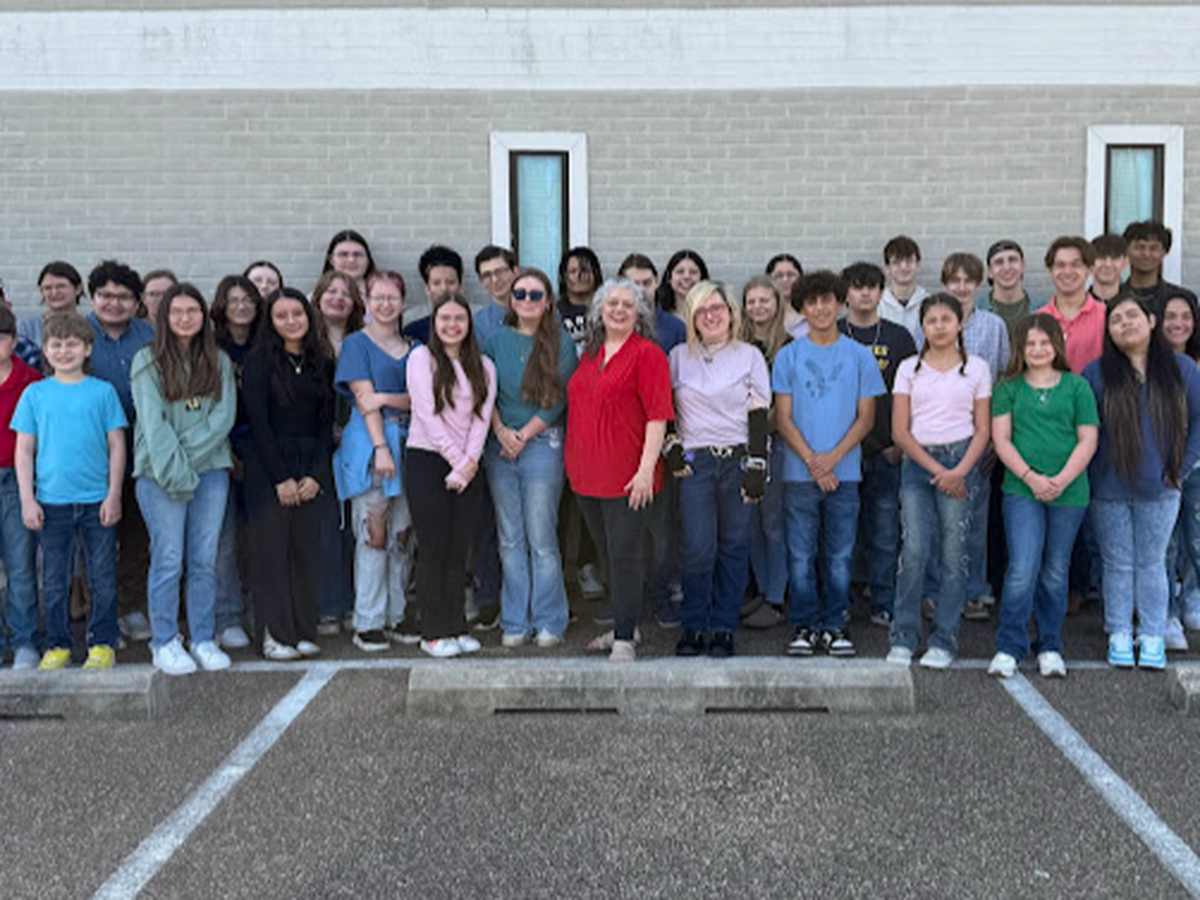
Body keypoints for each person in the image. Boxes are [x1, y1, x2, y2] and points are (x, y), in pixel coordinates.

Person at [1083, 294, 1200, 670]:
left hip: (1161, 488)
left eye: (1132, 315)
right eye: (1116, 320)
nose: (1125, 324)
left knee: (1152, 563)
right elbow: (1084, 431)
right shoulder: (1096, 374)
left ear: (1151, 321)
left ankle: (1152, 633)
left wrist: (1181, 468)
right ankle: (1118, 631)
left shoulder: (1181, 369)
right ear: (1109, 332)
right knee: (1116, 564)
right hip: (1108, 489)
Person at [773, 271, 883, 657]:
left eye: (827, 300)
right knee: (801, 556)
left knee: (839, 556)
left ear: (840, 304)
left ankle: (835, 625)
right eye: (812, 301)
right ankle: (805, 625)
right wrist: (812, 462)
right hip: (798, 474)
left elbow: (866, 418)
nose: (820, 308)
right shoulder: (788, 356)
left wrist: (832, 460)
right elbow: (782, 418)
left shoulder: (860, 356)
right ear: (801, 308)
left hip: (845, 474)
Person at [131, 284, 237, 676]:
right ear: (164, 317)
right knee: (168, 559)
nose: (185, 318)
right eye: (176, 311)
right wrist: (176, 467)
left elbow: (222, 418)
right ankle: (164, 641)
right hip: (159, 474)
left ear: (204, 316)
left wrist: (186, 457)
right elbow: (152, 423)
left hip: (210, 473)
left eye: (192, 310)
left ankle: (203, 638)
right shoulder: (147, 360)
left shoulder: (219, 360)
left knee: (204, 560)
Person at [566, 279, 672, 662]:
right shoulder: (590, 353)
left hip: (628, 477)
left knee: (625, 556)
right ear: (599, 311)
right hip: (585, 474)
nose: (619, 310)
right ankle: (626, 624)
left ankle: (625, 638)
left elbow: (658, 416)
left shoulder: (648, 355)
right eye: (612, 303)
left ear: (640, 312)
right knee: (608, 556)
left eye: (628, 304)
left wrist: (646, 470)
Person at [14, 312, 127, 670]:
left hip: (97, 501)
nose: (64, 351)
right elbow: (24, 450)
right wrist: (27, 499)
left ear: (88, 348)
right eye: (56, 345)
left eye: (72, 344)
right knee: (54, 579)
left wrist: (114, 494)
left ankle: (102, 642)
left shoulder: (103, 392)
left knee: (102, 577)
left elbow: (117, 445)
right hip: (51, 502)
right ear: (45, 351)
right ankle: (58, 644)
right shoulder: (35, 394)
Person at [987, 315, 1098, 679]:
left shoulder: (1077, 386)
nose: (1037, 350)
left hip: (1070, 492)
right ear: (1020, 348)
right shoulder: (1008, 388)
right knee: (1022, 568)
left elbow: (1088, 439)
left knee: (1055, 570)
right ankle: (1010, 645)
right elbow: (1001, 440)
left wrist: (1061, 480)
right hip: (1022, 490)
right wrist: (1031, 478)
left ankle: (1050, 645)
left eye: (1044, 343)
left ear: (1057, 346)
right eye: (1030, 343)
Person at [889, 294, 991, 669]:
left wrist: (959, 470)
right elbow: (900, 431)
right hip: (919, 464)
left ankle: (944, 639)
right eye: (931, 320)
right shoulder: (908, 369)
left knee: (953, 554)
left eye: (946, 319)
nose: (939, 327)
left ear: (959, 323)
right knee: (915, 551)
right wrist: (937, 470)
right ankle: (903, 636)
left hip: (962, 461)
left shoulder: (976, 368)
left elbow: (983, 429)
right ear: (923, 327)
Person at [669, 281, 769, 658]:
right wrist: (671, 447)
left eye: (718, 308)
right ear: (692, 317)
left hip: (738, 458)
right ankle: (695, 625)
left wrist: (757, 465)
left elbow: (758, 410)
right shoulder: (679, 356)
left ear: (731, 313)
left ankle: (724, 627)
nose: (711, 316)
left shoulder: (750, 356)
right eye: (702, 310)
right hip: (696, 462)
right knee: (698, 547)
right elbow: (665, 408)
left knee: (734, 544)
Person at [483, 269, 578, 647]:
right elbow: (482, 392)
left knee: (541, 537)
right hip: (500, 445)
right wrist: (501, 432)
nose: (526, 300)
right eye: (519, 293)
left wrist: (522, 435)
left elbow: (558, 399)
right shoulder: (494, 341)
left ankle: (549, 619)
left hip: (542, 444)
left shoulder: (561, 343)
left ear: (548, 302)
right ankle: (515, 621)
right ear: (511, 300)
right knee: (510, 538)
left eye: (535, 294)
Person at [243, 288, 337, 661]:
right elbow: (259, 424)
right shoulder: (258, 363)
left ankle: (301, 631)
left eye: (297, 314)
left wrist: (316, 475)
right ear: (270, 321)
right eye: (281, 316)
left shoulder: (321, 363)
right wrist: (280, 478)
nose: (291, 321)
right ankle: (274, 635)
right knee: (272, 553)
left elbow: (326, 426)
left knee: (304, 551)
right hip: (269, 466)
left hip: (309, 462)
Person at [405, 292, 496, 658]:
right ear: (434, 323)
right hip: (428, 460)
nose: (452, 325)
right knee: (434, 547)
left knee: (460, 549)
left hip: (468, 466)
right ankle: (433, 632)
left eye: (459, 318)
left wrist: (469, 462)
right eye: (445, 318)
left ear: (469, 324)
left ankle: (457, 626)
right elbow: (426, 414)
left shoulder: (484, 366)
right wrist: (459, 461)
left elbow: (482, 418)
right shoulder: (421, 358)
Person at [333, 270, 417, 652]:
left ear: (403, 302)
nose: (385, 304)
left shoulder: (416, 348)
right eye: (377, 297)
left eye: (392, 297)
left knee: (402, 534)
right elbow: (364, 401)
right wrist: (382, 447)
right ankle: (368, 621)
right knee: (374, 534)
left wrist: (385, 398)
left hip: (411, 443)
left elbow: (421, 398)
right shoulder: (356, 344)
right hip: (371, 447)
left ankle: (396, 615)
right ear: (366, 302)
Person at [838, 261, 917, 629]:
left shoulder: (899, 338)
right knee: (842, 534)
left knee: (885, 534)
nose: (865, 293)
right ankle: (842, 601)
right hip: (842, 452)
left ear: (881, 292)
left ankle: (883, 602)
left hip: (886, 451)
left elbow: (911, 393)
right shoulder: (833, 333)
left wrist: (900, 442)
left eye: (871, 286)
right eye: (857, 286)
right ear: (846, 293)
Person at [937, 252, 1011, 619]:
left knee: (975, 519)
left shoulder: (994, 326)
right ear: (945, 284)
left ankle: (974, 590)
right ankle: (939, 590)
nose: (961, 287)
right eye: (955, 280)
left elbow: (1003, 380)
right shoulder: (932, 322)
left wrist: (997, 438)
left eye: (968, 280)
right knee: (939, 519)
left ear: (979, 284)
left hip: (979, 434)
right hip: (938, 434)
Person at [86, 260, 155, 642]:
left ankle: (131, 607)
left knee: (135, 536)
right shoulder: (78, 334)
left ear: (137, 301)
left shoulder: (150, 336)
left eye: (123, 296)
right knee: (96, 540)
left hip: (142, 452)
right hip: (91, 455)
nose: (114, 303)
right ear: (92, 297)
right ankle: (102, 614)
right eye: (106, 295)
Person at [619, 253, 686, 628]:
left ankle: (661, 595)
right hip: (621, 438)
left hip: (663, 436)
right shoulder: (612, 324)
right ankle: (626, 599)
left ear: (657, 283)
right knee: (622, 528)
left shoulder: (674, 329)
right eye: (632, 282)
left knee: (661, 528)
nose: (640, 289)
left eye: (645, 282)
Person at [210, 275, 265, 649]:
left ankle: (262, 612)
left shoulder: (267, 345)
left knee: (261, 536)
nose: (242, 307)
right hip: (220, 450)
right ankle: (227, 617)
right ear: (222, 306)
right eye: (234, 301)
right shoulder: (211, 348)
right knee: (224, 539)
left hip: (261, 449)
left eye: (248, 300)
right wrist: (225, 451)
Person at [739, 275, 793, 628]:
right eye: (752, 301)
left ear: (777, 304)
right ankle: (761, 588)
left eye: (764, 300)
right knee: (750, 522)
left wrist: (759, 427)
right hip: (739, 444)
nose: (758, 307)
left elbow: (786, 403)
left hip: (774, 443)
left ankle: (777, 597)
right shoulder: (736, 344)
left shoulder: (787, 347)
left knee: (773, 522)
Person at [0, 306, 43, 669]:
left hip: (17, 479)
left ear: (14, 341)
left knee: (21, 567)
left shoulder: (31, 382)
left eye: (1, 338)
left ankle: (25, 640)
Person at [1159, 291, 1200, 645]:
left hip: (1196, 464)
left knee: (1196, 537)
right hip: (1162, 468)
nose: (1178, 323)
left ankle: (1193, 599)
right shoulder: (1150, 363)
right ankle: (1167, 612)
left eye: (1185, 316)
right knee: (1167, 543)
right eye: (1170, 316)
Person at [1041, 236, 1106, 374]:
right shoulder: (1037, 320)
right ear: (1050, 270)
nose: (1067, 271)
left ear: (1090, 269)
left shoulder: (1106, 317)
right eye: (1060, 265)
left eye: (1076, 265)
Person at [1121, 220, 1198, 317]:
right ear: (1126, 251)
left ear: (1164, 252)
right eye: (1140, 247)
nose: (1146, 254)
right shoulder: (1114, 296)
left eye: (1154, 248)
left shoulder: (1183, 299)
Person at [977, 240, 1041, 340]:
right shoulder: (976, 311)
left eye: (1012, 260)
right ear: (990, 272)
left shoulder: (1042, 309)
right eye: (999, 262)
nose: (1006, 268)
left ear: (1023, 266)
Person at [403, 245, 464, 346]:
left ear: (461, 286)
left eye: (450, 282)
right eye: (436, 283)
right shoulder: (410, 320)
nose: (444, 288)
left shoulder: (477, 318)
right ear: (427, 288)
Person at [21, 261, 85, 351]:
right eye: (48, 288)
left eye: (61, 286)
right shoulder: (26, 328)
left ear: (78, 289)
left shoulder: (90, 327)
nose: (54, 292)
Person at [878, 235, 928, 339]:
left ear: (918, 265)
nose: (904, 267)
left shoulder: (928, 303)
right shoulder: (877, 304)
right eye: (896, 262)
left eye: (909, 261)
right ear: (887, 268)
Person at [556, 247, 604, 353]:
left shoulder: (607, 310)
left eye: (584, 270)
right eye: (573, 271)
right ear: (564, 277)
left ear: (596, 274)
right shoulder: (554, 313)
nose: (579, 276)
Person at [312, 270, 365, 359]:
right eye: (332, 291)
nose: (339, 297)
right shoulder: (305, 337)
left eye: (347, 294)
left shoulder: (366, 340)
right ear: (318, 298)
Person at [473, 245, 519, 346]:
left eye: (500, 272)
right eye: (486, 275)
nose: (495, 280)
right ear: (481, 281)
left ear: (515, 272)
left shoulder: (536, 311)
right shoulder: (478, 324)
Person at [654, 250, 708, 327]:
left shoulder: (711, 315)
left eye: (693, 272)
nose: (686, 276)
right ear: (669, 278)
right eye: (680, 272)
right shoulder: (657, 315)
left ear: (702, 278)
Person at [322, 228, 376, 296]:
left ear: (368, 260)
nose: (351, 260)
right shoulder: (316, 298)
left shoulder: (383, 296)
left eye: (357, 254)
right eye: (343, 254)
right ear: (331, 260)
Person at [1090, 234, 1128, 304]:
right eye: (1101, 257)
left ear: (1125, 262)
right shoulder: (1076, 305)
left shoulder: (1135, 306)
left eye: (1115, 258)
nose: (1108, 264)